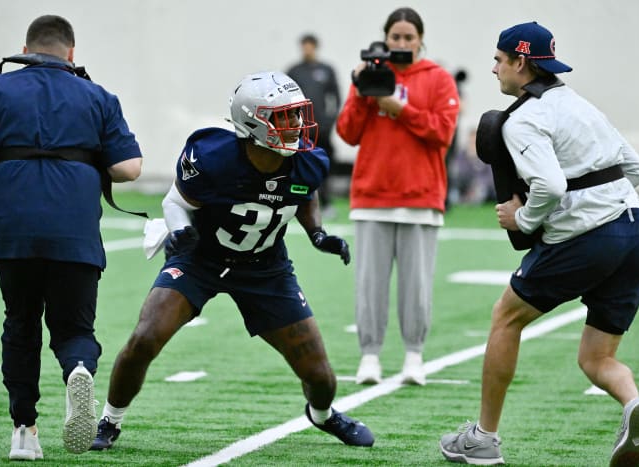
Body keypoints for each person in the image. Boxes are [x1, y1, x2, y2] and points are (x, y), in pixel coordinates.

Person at [90, 70, 374, 452]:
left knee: (321, 377)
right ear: (253, 123)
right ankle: (110, 419)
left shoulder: (307, 161)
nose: (297, 126)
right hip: (201, 258)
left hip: (265, 268)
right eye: (285, 117)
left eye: (297, 115)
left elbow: (304, 192)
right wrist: (178, 231)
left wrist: (317, 233)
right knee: (145, 337)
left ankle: (322, 415)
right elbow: (175, 202)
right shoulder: (213, 156)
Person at [439, 22, 639, 466]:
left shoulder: (525, 118)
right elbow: (636, 167)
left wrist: (523, 217)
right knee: (596, 358)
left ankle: (483, 439)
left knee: (505, 317)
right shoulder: (580, 104)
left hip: (593, 236)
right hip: (636, 229)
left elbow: (550, 185)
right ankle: (636, 405)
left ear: (521, 63)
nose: (493, 68)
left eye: (499, 59)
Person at [0, 15, 142, 460]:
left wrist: (6, 156)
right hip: (73, 230)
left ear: (27, 48)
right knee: (74, 327)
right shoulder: (96, 95)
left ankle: (24, 431)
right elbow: (129, 169)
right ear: (71, 53)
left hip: (12, 229)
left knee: (19, 324)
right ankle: (77, 368)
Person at [337, 7, 459, 386]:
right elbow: (347, 133)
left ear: (421, 39)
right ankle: (369, 356)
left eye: (409, 37)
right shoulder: (371, 75)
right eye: (396, 37)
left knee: (416, 286)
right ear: (385, 38)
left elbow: (443, 132)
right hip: (372, 197)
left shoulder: (438, 79)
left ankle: (413, 356)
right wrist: (361, 91)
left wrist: (399, 108)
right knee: (369, 285)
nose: (402, 43)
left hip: (421, 199)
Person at [286, 34, 341, 219]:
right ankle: (296, 204)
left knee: (322, 165)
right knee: (298, 166)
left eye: (310, 46)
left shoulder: (326, 70)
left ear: (315, 47)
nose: (307, 50)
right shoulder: (294, 71)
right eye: (304, 46)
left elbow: (336, 98)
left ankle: (326, 203)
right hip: (300, 129)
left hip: (321, 130)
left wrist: (329, 121)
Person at [447, 127, 495, 205]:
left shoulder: (486, 154)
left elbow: (490, 175)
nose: (473, 143)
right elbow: (459, 172)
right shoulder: (462, 155)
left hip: (483, 187)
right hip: (465, 186)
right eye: (471, 141)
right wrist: (471, 158)